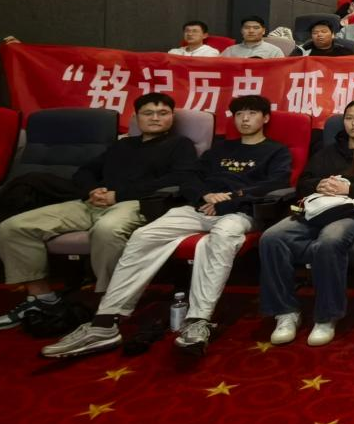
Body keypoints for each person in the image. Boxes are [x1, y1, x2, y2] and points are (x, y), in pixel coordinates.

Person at [41, 96, 293, 358]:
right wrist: (204, 196)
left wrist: (232, 198)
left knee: (222, 237)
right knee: (144, 235)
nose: (245, 119)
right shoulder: (219, 150)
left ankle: (198, 320)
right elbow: (189, 178)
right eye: (239, 114)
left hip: (241, 211)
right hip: (199, 208)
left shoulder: (275, 151)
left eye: (252, 113)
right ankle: (105, 322)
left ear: (265, 118)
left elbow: (276, 183)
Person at [0, 93, 200, 332]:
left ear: (172, 117)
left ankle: (111, 302)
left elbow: (180, 178)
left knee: (106, 230)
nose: (155, 118)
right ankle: (41, 298)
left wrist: (119, 195)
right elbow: (85, 171)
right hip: (92, 202)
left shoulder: (180, 145)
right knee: (13, 227)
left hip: (135, 203)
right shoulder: (122, 145)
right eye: (148, 113)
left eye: (163, 113)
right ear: (137, 117)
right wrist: (92, 190)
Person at [260, 99, 354, 346]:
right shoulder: (328, 152)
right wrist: (319, 185)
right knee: (272, 237)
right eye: (349, 118)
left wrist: (350, 189)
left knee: (329, 240)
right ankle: (285, 312)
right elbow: (302, 184)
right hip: (318, 210)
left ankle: (326, 316)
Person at [220, 16, 285, 59]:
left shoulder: (274, 51)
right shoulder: (230, 51)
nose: (251, 31)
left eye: (256, 28)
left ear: (263, 31)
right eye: (247, 28)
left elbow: (281, 71)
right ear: (241, 31)